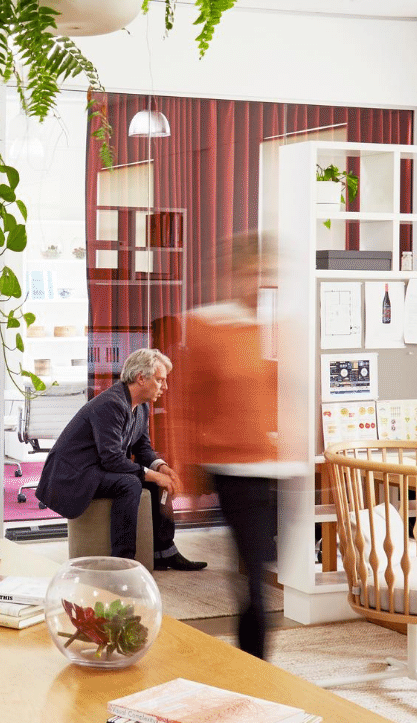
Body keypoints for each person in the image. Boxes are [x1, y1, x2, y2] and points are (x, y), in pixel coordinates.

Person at [175, 234, 286, 658]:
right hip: (234, 469)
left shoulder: (277, 325)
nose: (259, 281)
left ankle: (257, 661)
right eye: (251, 272)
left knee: (258, 571)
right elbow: (187, 404)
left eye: (266, 272)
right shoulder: (208, 325)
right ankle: (257, 667)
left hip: (277, 465)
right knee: (254, 578)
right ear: (233, 275)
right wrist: (185, 476)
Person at [34, 347, 207, 571]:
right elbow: (112, 458)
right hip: (74, 474)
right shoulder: (111, 404)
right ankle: (123, 561)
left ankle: (165, 552)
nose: (165, 387)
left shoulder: (141, 406)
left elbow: (142, 447)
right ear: (141, 378)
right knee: (130, 483)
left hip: (98, 468)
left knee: (161, 482)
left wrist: (161, 467)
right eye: (160, 380)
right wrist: (153, 475)